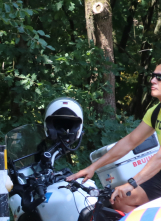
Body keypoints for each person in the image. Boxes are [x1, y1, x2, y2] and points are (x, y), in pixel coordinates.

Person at [68, 64, 161, 212]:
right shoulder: (156, 111)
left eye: (159, 77)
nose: (152, 80)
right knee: (120, 200)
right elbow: (129, 142)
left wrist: (131, 183)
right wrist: (93, 167)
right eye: (153, 76)